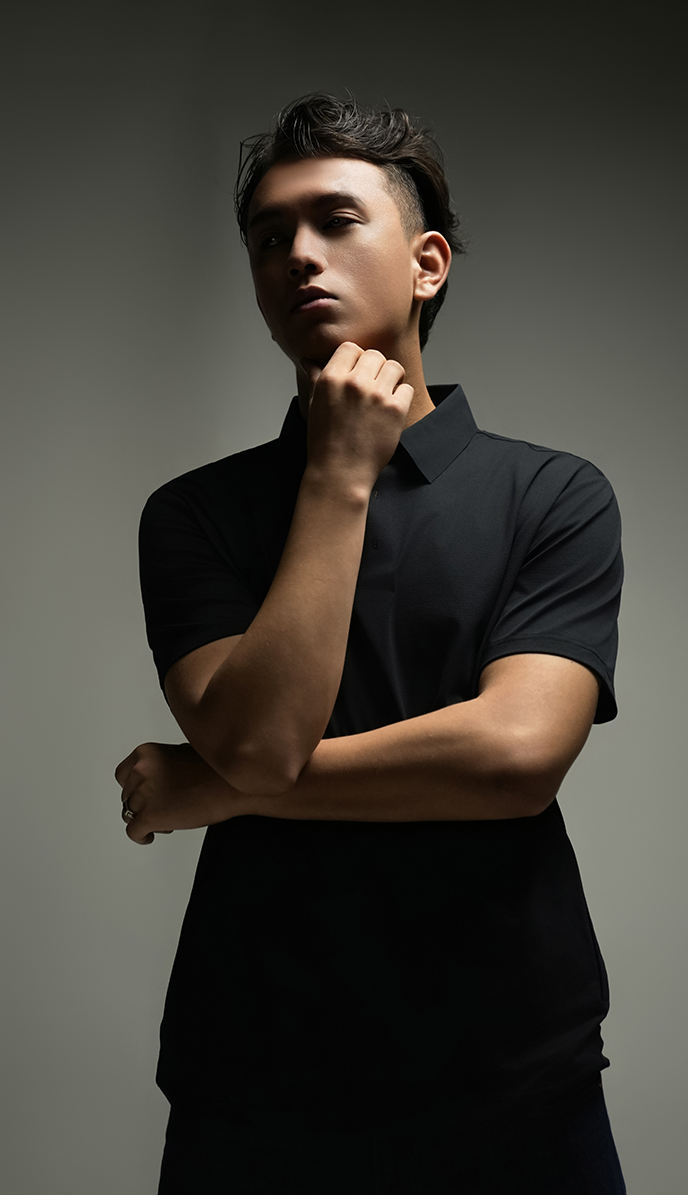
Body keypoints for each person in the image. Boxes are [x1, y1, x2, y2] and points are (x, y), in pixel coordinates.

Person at [115, 92, 626, 1194]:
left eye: (335, 220)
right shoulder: (193, 515)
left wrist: (217, 789)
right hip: (255, 1083)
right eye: (268, 237)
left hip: (515, 1078)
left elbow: (515, 758)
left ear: (427, 264)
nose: (297, 253)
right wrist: (339, 473)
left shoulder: (553, 495)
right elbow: (263, 741)